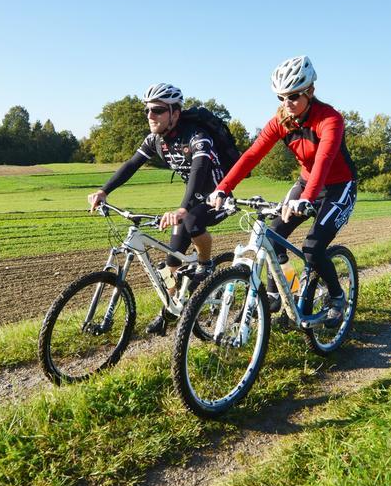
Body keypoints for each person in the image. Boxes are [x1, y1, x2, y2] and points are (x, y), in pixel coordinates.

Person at [210, 55, 356, 324]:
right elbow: (252, 155)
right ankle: (279, 293)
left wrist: (307, 199)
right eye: (281, 98)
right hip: (306, 184)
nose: (287, 104)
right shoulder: (281, 120)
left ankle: (337, 297)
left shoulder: (330, 119)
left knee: (313, 248)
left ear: (310, 91)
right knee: (273, 236)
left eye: (293, 97)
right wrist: (223, 188)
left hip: (337, 188)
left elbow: (323, 161)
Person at [87, 82, 232, 334]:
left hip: (217, 196)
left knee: (191, 221)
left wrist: (183, 208)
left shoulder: (198, 137)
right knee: (171, 263)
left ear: (175, 113)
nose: (150, 116)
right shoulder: (156, 140)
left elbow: (200, 172)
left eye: (157, 110)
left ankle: (206, 264)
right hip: (191, 199)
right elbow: (132, 164)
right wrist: (104, 190)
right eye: (147, 110)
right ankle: (168, 313)